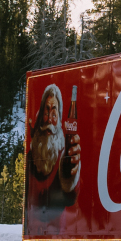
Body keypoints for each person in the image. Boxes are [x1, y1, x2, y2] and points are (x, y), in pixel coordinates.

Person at [29, 84, 79, 213]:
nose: (49, 120)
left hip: (60, 222)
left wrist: (72, 171)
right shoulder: (30, 157)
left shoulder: (64, 156)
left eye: (54, 115)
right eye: (46, 113)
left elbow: (72, 197)